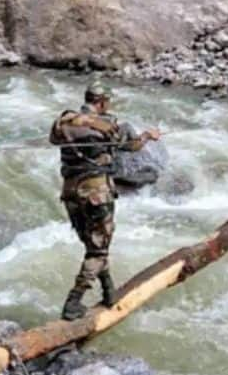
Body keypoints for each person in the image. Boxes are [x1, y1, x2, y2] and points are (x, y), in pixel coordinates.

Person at [50, 82, 161, 320]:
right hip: (96, 193)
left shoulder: (63, 122)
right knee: (98, 250)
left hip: (70, 192)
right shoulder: (109, 126)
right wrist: (148, 136)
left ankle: (109, 291)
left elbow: (53, 140)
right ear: (101, 102)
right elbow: (132, 146)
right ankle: (73, 301)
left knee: (94, 245)